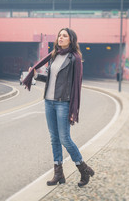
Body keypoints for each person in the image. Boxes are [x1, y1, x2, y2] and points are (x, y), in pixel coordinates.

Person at [27, 28, 94, 187]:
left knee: (65, 138)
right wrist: (35, 75)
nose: (61, 38)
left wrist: (73, 109)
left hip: (63, 102)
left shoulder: (74, 59)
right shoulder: (54, 56)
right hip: (49, 102)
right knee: (54, 138)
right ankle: (59, 173)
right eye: (59, 35)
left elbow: (76, 85)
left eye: (64, 36)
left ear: (71, 39)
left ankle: (82, 168)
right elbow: (52, 79)